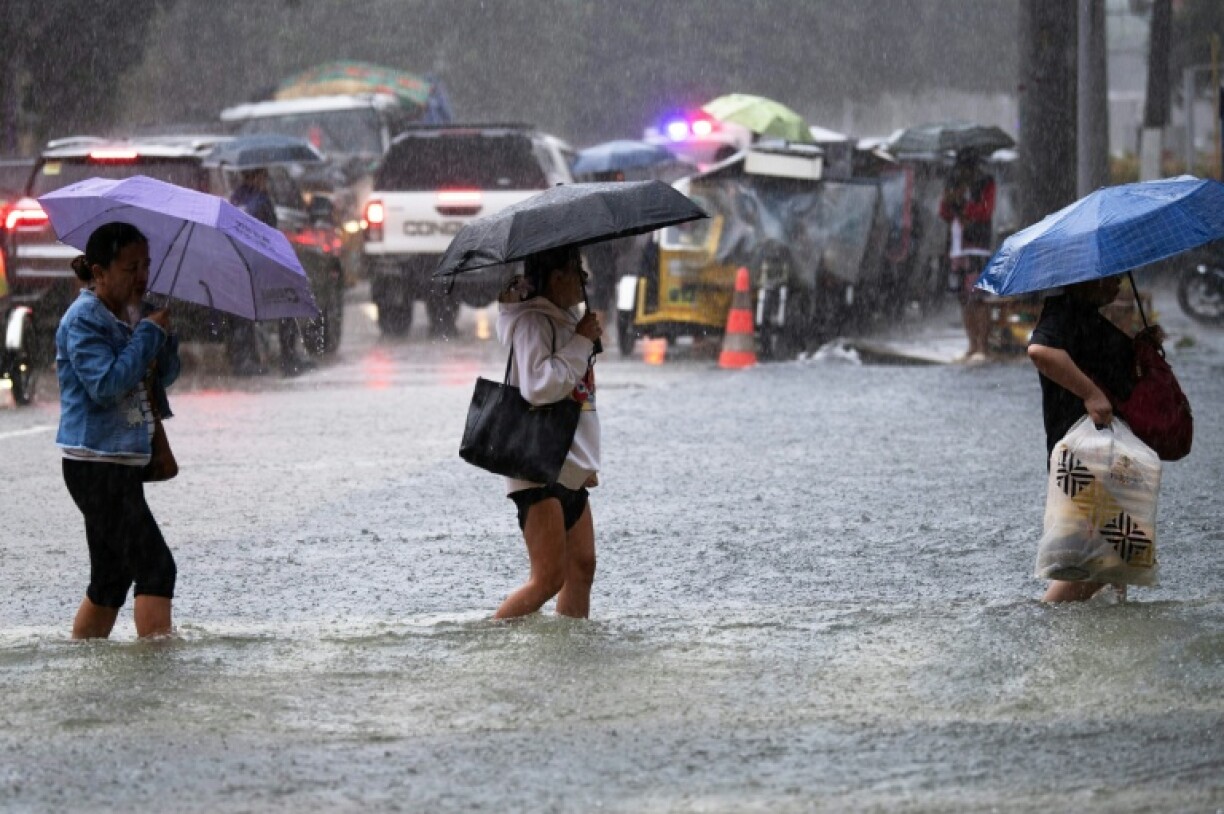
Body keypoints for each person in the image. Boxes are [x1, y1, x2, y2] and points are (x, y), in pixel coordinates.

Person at [57, 223, 180, 638]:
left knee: (111, 580)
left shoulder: (133, 312)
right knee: (156, 567)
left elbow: (163, 376)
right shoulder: (84, 320)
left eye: (146, 265)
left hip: (120, 461)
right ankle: (155, 675)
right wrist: (148, 335)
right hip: (95, 464)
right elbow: (106, 385)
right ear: (99, 271)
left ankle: (85, 663)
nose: (141, 276)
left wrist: (165, 340)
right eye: (130, 267)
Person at [1027, 276, 1162, 603]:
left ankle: (1104, 633)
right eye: (1110, 278)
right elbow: (1040, 350)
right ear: (1085, 278)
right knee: (1111, 556)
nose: (1117, 283)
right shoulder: (1063, 312)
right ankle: (1045, 621)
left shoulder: (1086, 315)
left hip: (1105, 455)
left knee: (1112, 559)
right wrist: (1091, 394)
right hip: (1085, 458)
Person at [493, 246, 603, 619]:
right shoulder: (532, 323)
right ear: (557, 277)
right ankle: (489, 641)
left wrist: (585, 461)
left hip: (567, 462)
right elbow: (538, 388)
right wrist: (583, 342)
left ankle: (571, 653)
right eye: (578, 269)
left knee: (582, 566)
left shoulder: (565, 321)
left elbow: (581, 397)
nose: (584, 279)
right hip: (536, 463)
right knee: (548, 578)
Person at [228, 167, 313, 376]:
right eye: (264, 177)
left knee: (242, 314)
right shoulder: (261, 201)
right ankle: (288, 357)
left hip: (238, 267)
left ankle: (244, 360)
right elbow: (269, 234)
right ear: (258, 177)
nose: (266, 181)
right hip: (259, 267)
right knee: (288, 302)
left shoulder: (235, 199)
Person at [939, 148, 996, 362]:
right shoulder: (953, 184)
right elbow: (944, 213)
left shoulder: (986, 182)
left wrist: (965, 208)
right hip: (957, 247)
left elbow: (986, 211)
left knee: (978, 297)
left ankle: (982, 345)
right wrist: (949, 199)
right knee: (963, 298)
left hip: (977, 246)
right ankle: (972, 345)